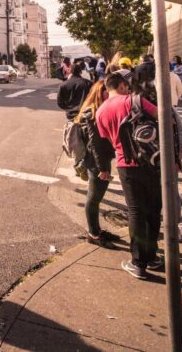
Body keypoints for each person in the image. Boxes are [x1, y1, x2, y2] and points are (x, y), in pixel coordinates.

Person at [94, 72, 162, 280]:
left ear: (107, 89)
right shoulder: (137, 100)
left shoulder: (101, 111)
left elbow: (106, 137)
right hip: (152, 160)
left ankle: (138, 262)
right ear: (123, 85)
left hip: (126, 163)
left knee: (135, 211)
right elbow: (162, 116)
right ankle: (151, 256)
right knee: (153, 208)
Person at [75, 82, 118, 246]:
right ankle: (93, 234)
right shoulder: (92, 113)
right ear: (100, 93)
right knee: (94, 198)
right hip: (95, 161)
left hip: (100, 159)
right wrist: (103, 168)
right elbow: (95, 144)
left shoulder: (98, 110)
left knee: (96, 197)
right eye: (107, 91)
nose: (110, 94)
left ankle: (96, 230)